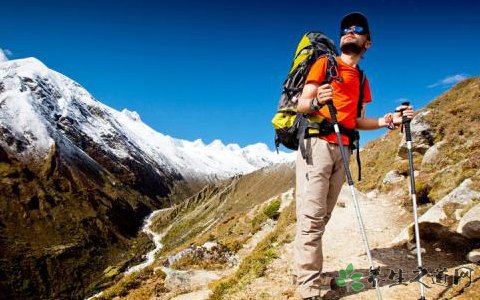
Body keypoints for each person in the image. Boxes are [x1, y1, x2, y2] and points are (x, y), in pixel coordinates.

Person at [293, 12, 414, 300]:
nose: (349, 31)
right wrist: (317, 101)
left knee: (321, 217)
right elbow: (301, 104)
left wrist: (387, 121)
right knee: (310, 218)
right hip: (317, 144)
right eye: (345, 28)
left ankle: (304, 273)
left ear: (367, 43)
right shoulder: (325, 64)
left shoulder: (361, 78)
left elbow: (358, 121)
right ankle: (308, 288)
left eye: (357, 29)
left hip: (344, 149)